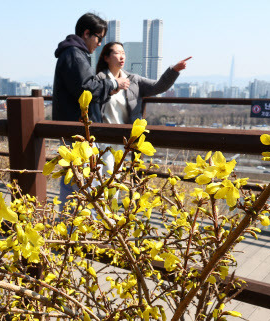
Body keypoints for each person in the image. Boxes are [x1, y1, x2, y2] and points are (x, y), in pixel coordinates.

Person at [52, 13, 130, 210]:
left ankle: (72, 227)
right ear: (87, 33)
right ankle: (73, 228)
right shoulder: (74, 54)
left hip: (75, 129)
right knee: (78, 182)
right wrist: (113, 83)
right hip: (76, 130)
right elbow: (86, 88)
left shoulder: (74, 53)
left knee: (76, 181)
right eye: (98, 38)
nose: (99, 43)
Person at [94, 41, 191, 175]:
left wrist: (173, 70)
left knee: (114, 178)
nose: (122, 56)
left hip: (124, 139)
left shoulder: (134, 80)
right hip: (103, 138)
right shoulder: (99, 80)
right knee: (108, 175)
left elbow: (158, 86)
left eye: (123, 53)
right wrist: (113, 85)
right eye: (117, 53)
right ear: (106, 58)